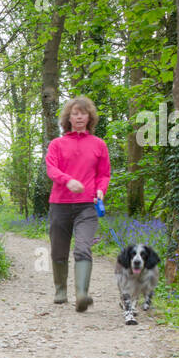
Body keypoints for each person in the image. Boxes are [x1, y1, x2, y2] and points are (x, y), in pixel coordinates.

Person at [45, 97, 111, 311]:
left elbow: (104, 174)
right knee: (58, 250)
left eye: (83, 113)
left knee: (83, 247)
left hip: (87, 206)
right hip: (60, 204)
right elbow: (51, 169)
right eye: (75, 113)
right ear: (68, 118)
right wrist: (68, 180)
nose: (80, 116)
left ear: (89, 117)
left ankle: (82, 294)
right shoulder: (57, 144)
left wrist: (101, 190)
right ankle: (60, 290)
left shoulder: (99, 145)